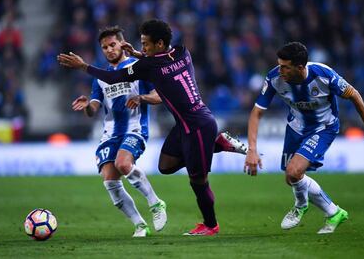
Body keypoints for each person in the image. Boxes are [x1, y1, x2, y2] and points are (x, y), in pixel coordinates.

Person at [58, 19, 247, 236]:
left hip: (197, 126)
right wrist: (140, 54)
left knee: (198, 181)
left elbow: (114, 77)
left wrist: (83, 66)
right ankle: (216, 143)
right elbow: (159, 62)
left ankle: (210, 225)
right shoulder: (182, 51)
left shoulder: (147, 66)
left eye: (146, 44)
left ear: (158, 43)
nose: (143, 48)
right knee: (165, 166)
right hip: (185, 124)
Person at [244, 42, 364, 234]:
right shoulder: (274, 78)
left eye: (285, 67)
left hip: (323, 128)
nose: (280, 70)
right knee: (292, 177)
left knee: (294, 171)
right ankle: (334, 212)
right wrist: (252, 149)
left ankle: (300, 205)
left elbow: (354, 94)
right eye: (279, 65)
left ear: (300, 67)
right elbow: (256, 113)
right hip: (295, 128)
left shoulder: (324, 75)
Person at [71, 26, 167, 237]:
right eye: (104, 47)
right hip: (110, 134)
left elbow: (158, 95)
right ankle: (140, 225)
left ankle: (156, 203)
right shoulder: (100, 77)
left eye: (112, 45)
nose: (109, 50)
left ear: (122, 44)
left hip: (135, 129)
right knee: (110, 182)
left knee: (123, 164)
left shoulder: (139, 67)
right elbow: (93, 110)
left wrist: (141, 98)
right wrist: (87, 104)